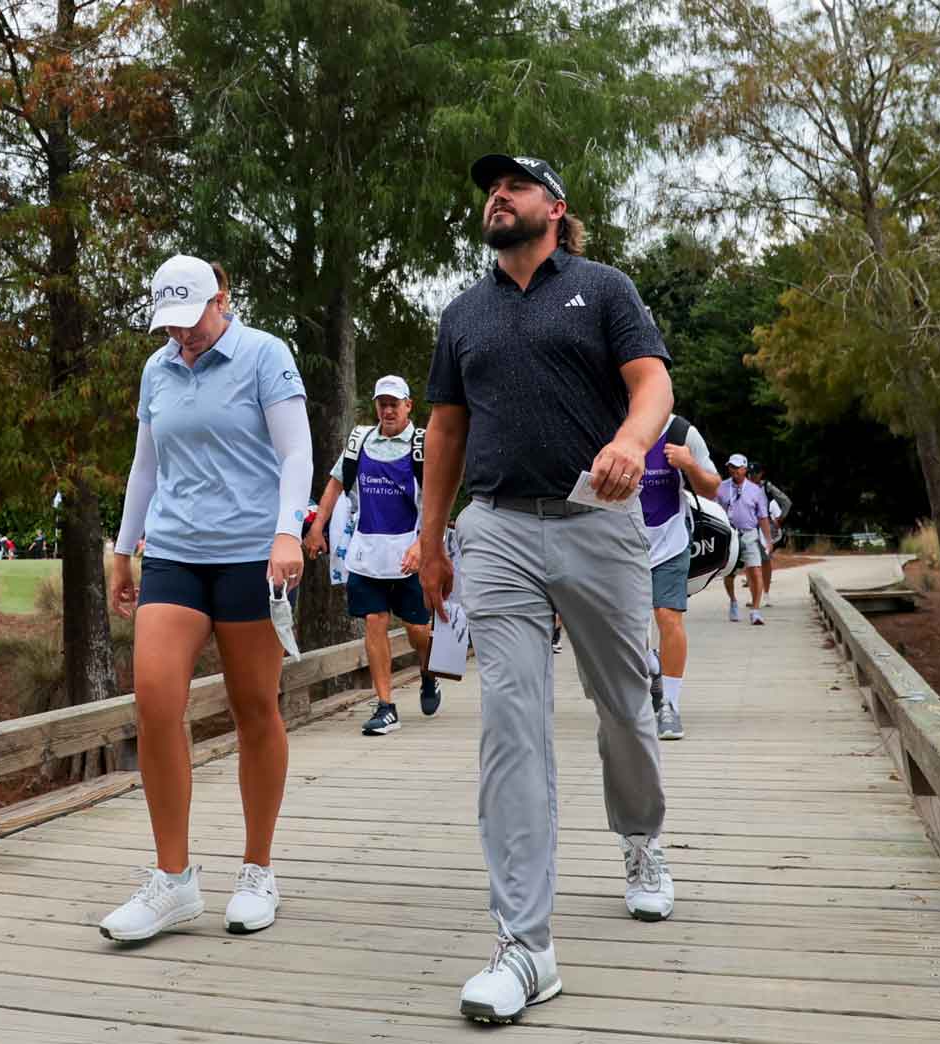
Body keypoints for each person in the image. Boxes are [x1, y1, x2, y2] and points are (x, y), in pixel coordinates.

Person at [419, 153, 675, 1024]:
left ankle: (641, 841)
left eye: (516, 185)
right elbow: (445, 430)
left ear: (556, 209)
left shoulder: (603, 289)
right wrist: (430, 541)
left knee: (624, 704)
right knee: (512, 725)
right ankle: (525, 946)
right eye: (489, 186)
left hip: (597, 522)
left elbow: (652, 385)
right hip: (494, 528)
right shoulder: (463, 314)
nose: (497, 193)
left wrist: (636, 442)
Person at [98, 254, 311, 942]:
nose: (181, 337)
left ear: (224, 298)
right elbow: (145, 463)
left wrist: (288, 532)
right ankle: (174, 881)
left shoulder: (263, 355)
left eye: (192, 323)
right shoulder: (158, 368)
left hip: (252, 555)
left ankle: (257, 870)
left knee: (255, 708)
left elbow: (296, 454)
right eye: (170, 325)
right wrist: (121, 548)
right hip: (176, 553)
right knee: (155, 697)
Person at [304, 375, 438, 735]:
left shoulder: (423, 444)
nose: (388, 409)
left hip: (408, 551)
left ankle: (429, 672)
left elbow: (436, 498)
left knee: (418, 631)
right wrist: (317, 527)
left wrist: (422, 545)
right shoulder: (359, 441)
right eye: (383, 403)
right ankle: (385, 705)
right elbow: (336, 485)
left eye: (395, 403)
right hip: (366, 552)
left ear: (409, 405)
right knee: (374, 622)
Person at [640, 415, 720, 740]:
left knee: (668, 617)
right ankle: (652, 666)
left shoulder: (681, 432)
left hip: (669, 541)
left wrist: (689, 465)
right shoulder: (608, 420)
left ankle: (669, 707)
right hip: (619, 543)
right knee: (623, 627)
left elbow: (712, 488)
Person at [718, 453, 772, 625]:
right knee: (730, 573)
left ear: (744, 469)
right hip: (730, 534)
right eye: (730, 467)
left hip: (749, 534)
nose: (733, 470)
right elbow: (714, 510)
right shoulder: (721, 487)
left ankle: (755, 610)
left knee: (756, 571)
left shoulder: (755, 491)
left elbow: (763, 516)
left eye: (737, 467)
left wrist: (768, 540)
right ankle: (733, 601)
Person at [751, 462, 792, 608]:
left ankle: (766, 594)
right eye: (749, 473)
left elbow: (786, 502)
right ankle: (756, 596)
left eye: (754, 473)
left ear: (761, 473)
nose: (751, 476)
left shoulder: (766, 487)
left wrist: (780, 518)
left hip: (764, 527)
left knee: (765, 560)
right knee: (752, 562)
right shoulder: (741, 486)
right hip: (748, 526)